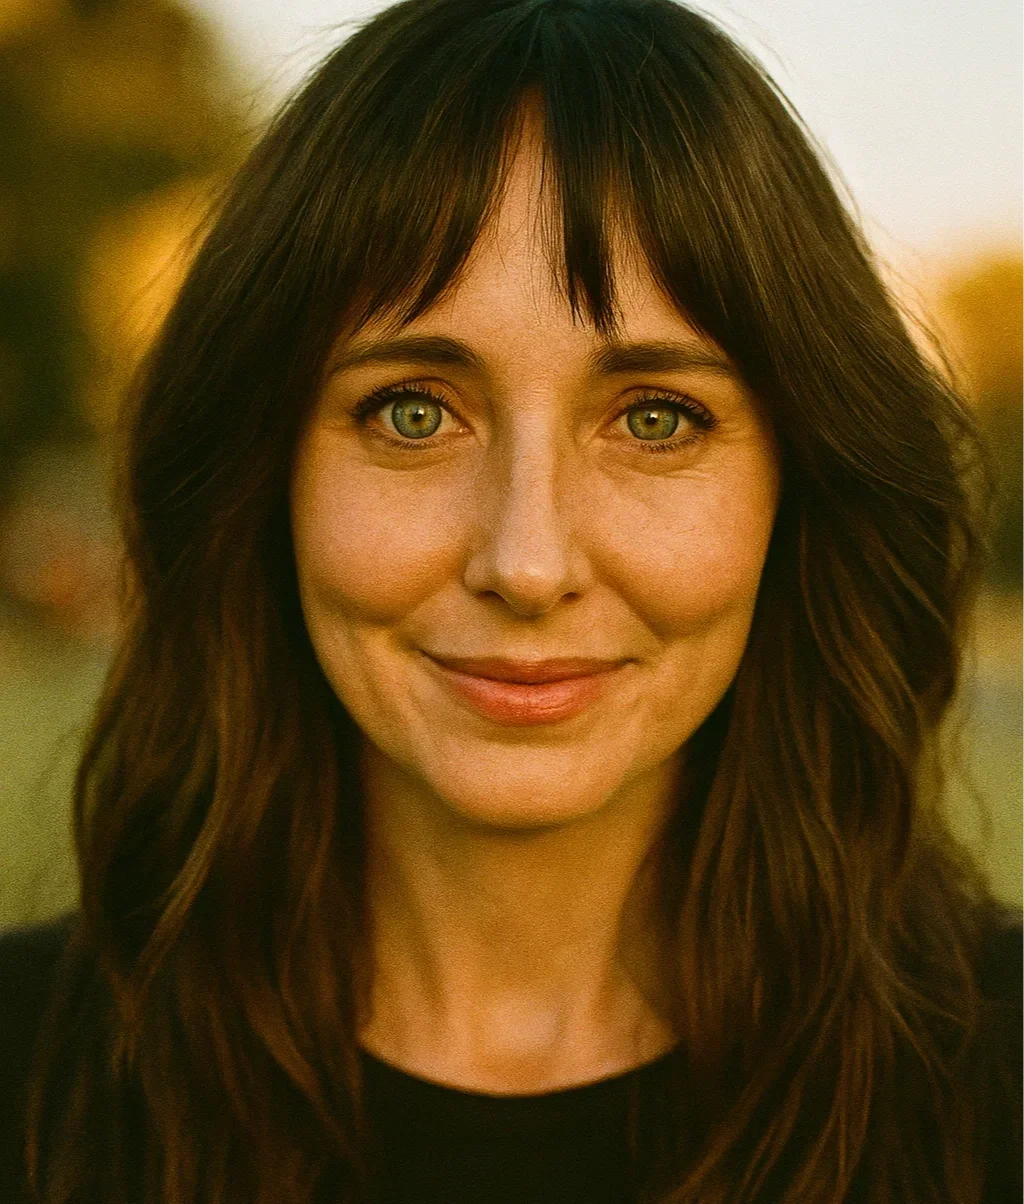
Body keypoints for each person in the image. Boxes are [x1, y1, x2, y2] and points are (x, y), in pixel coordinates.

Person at [1, 0, 1022, 1201]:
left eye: (654, 418)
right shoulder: (29, 1077)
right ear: (258, 471)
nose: (527, 563)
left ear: (799, 489)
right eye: (414, 411)